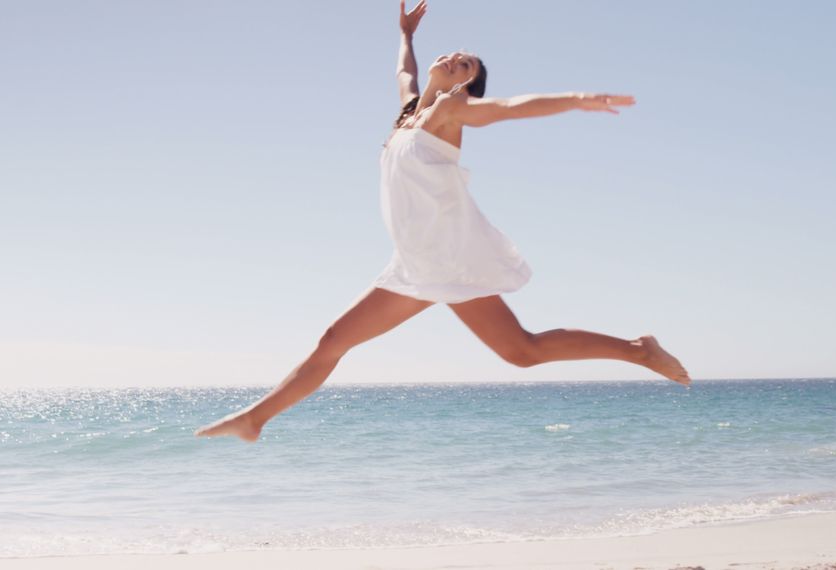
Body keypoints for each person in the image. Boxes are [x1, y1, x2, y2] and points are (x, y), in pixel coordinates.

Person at [195, 0, 689, 442]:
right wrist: (407, 35)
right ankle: (255, 419)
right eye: (453, 54)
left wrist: (574, 99)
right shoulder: (412, 111)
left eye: (466, 64)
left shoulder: (450, 111)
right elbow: (405, 74)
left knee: (521, 351)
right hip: (415, 264)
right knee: (350, 343)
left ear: (465, 86)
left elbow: (508, 107)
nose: (454, 58)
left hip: (449, 256)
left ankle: (639, 350)